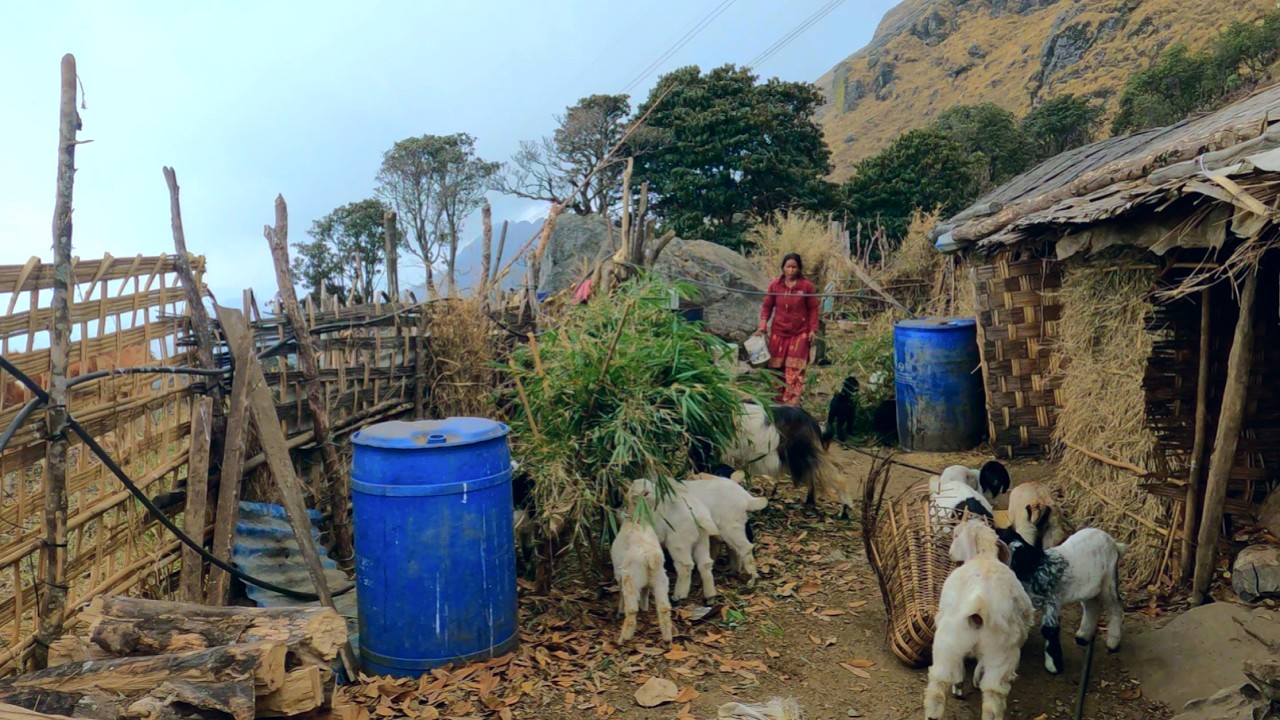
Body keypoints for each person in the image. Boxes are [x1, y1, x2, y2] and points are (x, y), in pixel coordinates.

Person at [756, 253, 819, 405]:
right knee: (776, 369)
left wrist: (812, 330)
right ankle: (776, 403)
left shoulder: (806, 286)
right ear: (783, 268)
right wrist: (763, 326)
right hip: (778, 332)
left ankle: (790, 404)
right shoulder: (775, 285)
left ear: (799, 268)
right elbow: (767, 306)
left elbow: (813, 309)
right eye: (788, 267)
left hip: (799, 333)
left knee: (794, 370)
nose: (791, 270)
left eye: (794, 267)